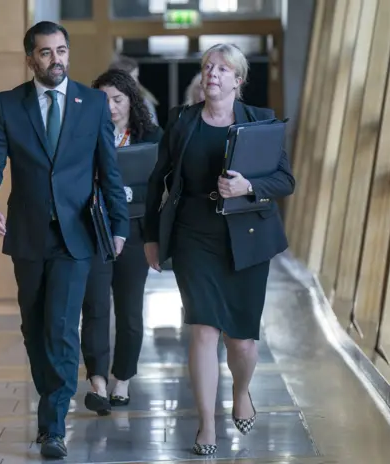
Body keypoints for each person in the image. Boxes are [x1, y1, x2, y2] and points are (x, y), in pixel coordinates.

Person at [0, 21, 129, 459]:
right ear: (31, 59)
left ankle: (53, 426)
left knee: (62, 327)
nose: (56, 59)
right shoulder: (9, 105)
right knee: (34, 325)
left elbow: (109, 169)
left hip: (76, 235)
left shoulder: (93, 103)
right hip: (27, 234)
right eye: (45, 53)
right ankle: (51, 398)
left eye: (61, 50)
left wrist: (119, 225)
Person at [143, 43, 295, 455]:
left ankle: (242, 390)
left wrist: (249, 188)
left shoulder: (261, 122)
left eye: (222, 68)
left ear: (238, 80)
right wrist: (151, 236)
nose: (212, 73)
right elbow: (157, 181)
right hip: (195, 236)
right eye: (208, 66)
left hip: (247, 240)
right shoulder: (181, 122)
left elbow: (285, 181)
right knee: (204, 330)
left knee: (241, 342)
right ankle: (206, 423)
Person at [80, 69, 163, 416]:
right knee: (95, 308)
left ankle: (122, 379)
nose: (111, 108)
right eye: (103, 100)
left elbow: (161, 185)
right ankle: (97, 380)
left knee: (129, 310)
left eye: (118, 100)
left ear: (131, 101)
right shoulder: (82, 135)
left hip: (134, 231)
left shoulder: (151, 136)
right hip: (94, 230)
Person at [109, 54, 159, 124]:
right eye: (134, 76)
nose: (136, 81)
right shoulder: (104, 101)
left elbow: (153, 130)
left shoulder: (144, 102)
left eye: (136, 76)